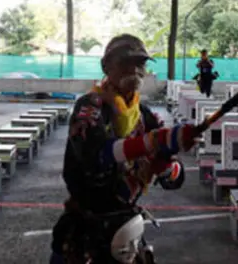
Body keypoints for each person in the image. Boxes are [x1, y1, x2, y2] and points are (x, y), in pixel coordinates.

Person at [50, 34, 198, 264]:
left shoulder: (145, 116)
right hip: (85, 231)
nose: (135, 69)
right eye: (125, 62)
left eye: (140, 63)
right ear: (106, 66)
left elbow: (174, 180)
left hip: (127, 230)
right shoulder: (90, 106)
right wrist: (151, 144)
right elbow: (95, 155)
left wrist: (167, 165)